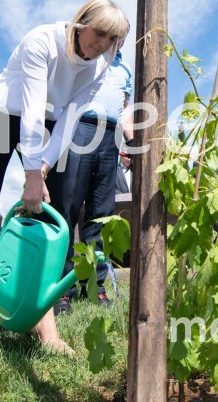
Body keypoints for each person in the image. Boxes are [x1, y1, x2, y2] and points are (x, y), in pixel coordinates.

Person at [0, 0, 130, 363]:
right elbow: (31, 105)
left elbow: (66, 123)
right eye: (100, 33)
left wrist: (42, 170)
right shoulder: (41, 40)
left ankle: (45, 326)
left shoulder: (98, 69)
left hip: (45, 124)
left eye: (113, 40)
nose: (103, 44)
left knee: (51, 213)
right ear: (81, 23)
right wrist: (31, 174)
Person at [49, 50, 133, 315]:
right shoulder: (85, 58)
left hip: (110, 137)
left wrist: (130, 142)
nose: (116, 39)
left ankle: (95, 285)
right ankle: (62, 289)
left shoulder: (125, 69)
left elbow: (125, 109)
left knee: (101, 213)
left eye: (121, 34)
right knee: (67, 210)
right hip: (78, 130)